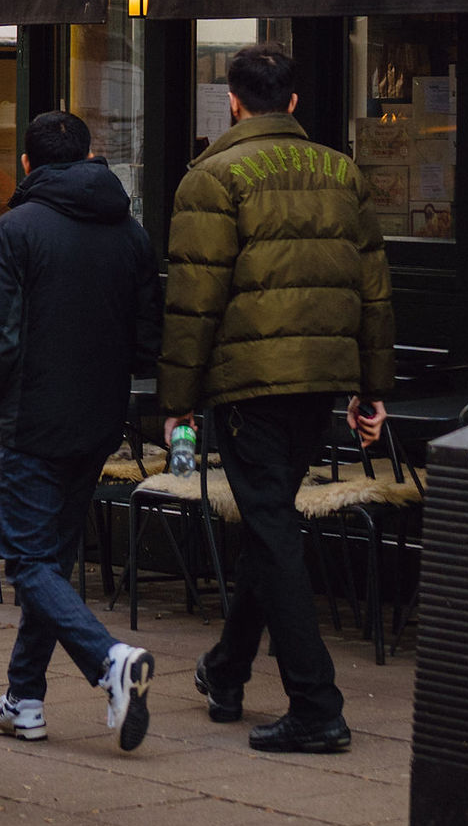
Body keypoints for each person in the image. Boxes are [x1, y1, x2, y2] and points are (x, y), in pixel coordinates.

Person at [160, 42, 393, 755]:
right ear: (292, 102)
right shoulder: (342, 172)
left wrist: (177, 398)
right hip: (319, 377)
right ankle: (225, 670)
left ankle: (317, 705)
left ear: (233, 100)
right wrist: (370, 388)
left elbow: (193, 301)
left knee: (270, 529)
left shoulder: (212, 176)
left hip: (249, 384)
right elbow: (373, 285)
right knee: (270, 524)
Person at [0, 108, 164, 752]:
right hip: (99, 418)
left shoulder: (15, 229)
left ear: (27, 164)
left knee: (25, 559)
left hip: (34, 417)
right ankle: (23, 699)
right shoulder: (130, 233)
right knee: (49, 562)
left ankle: (110, 661)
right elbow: (148, 338)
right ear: (86, 158)